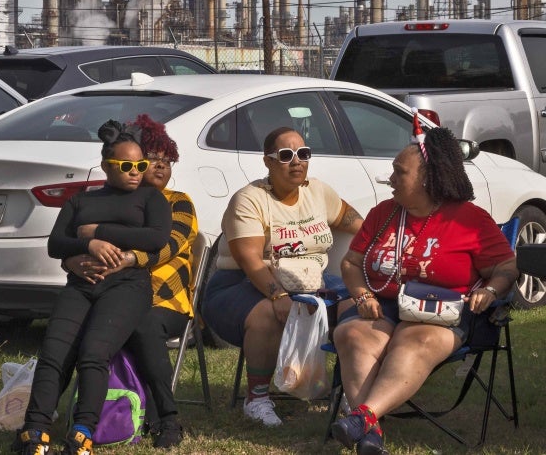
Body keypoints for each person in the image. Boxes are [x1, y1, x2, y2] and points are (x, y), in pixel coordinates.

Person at [330, 120, 518, 455]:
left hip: (439, 311)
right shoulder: (383, 213)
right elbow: (350, 262)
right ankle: (369, 433)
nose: (391, 178)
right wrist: (362, 294)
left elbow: (506, 266)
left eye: (399, 172)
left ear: (428, 178)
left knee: (413, 340)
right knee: (351, 335)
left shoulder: (468, 219)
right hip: (383, 304)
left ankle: (362, 418)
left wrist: (490, 291)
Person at [15, 120, 172, 455]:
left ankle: (83, 432)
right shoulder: (81, 200)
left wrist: (97, 234)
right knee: (54, 354)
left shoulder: (150, 198)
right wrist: (86, 248)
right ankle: (35, 431)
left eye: (140, 165)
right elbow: (57, 244)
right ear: (105, 166)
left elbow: (156, 238)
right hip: (82, 284)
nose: (135, 172)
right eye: (126, 166)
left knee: (93, 353)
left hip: (127, 287)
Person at [201, 126, 364, 427]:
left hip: (314, 279)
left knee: (357, 306)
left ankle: (350, 396)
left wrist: (379, 242)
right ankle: (258, 399)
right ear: (268, 161)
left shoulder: (318, 191)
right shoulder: (250, 199)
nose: (297, 162)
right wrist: (277, 295)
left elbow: (351, 220)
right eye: (286, 155)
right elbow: (249, 260)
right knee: (268, 314)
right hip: (243, 283)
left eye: (303, 154)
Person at [63, 114, 196, 449]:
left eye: (168, 161)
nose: (161, 167)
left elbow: (168, 245)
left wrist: (128, 259)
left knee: (144, 323)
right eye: (153, 159)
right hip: (112, 294)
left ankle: (168, 418)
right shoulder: (112, 204)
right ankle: (50, 415)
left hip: (165, 302)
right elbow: (77, 244)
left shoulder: (178, 202)